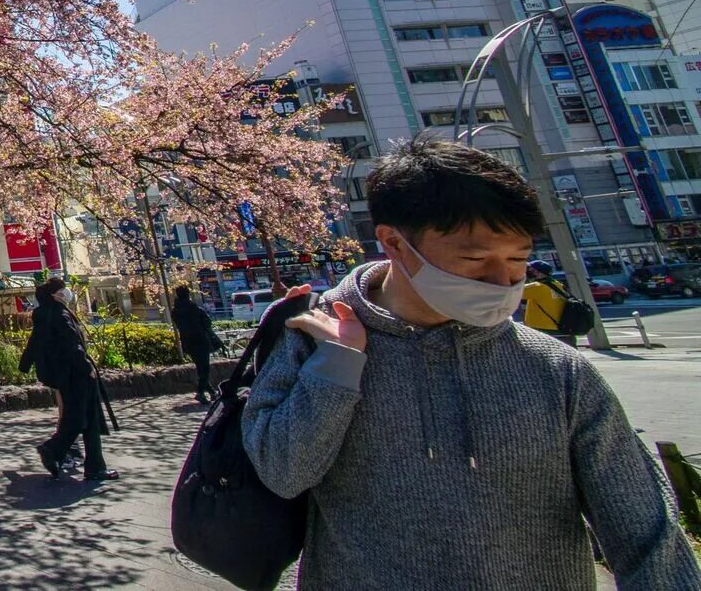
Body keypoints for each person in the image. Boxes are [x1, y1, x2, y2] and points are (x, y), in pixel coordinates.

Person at [243, 136, 699, 590]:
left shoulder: (556, 368)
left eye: (518, 260)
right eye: (475, 260)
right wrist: (337, 367)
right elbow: (284, 473)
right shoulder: (309, 336)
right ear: (394, 243)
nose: (502, 281)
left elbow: (645, 531)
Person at [20, 277, 116, 482]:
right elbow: (72, 344)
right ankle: (58, 451)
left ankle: (82, 461)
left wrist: (25, 364)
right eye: (63, 289)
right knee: (83, 418)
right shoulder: (60, 314)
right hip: (75, 374)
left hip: (63, 374)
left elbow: (35, 342)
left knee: (82, 418)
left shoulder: (45, 314)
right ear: (56, 294)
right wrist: (86, 366)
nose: (67, 292)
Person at [169, 285, 220, 404]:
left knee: (200, 367)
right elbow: (207, 323)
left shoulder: (175, 311)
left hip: (187, 342)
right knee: (205, 368)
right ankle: (201, 392)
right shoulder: (193, 308)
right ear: (188, 294)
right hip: (200, 340)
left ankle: (211, 392)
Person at [520, 260, 575, 345]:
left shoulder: (536, 287)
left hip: (542, 329)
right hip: (562, 327)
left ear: (537, 272)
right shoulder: (557, 284)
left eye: (529, 269)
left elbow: (510, 292)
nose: (526, 271)